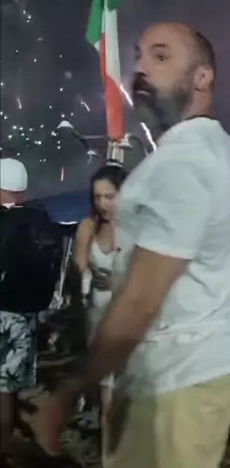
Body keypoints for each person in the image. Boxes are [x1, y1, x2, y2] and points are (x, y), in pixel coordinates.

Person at [36, 22, 230, 468]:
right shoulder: (221, 151)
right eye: (138, 56)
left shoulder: (184, 163)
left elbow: (140, 299)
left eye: (160, 56)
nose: (139, 68)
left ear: (202, 77)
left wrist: (72, 386)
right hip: (203, 363)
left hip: (177, 373)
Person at [0, 158, 62, 452]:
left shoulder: (4, 222)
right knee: (8, 388)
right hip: (26, 317)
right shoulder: (43, 221)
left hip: (1, 313)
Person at [73, 163, 127, 414]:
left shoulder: (137, 227)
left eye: (109, 196)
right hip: (97, 314)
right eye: (97, 197)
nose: (103, 204)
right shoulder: (88, 225)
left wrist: (119, 282)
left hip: (129, 314)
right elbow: (79, 270)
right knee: (106, 386)